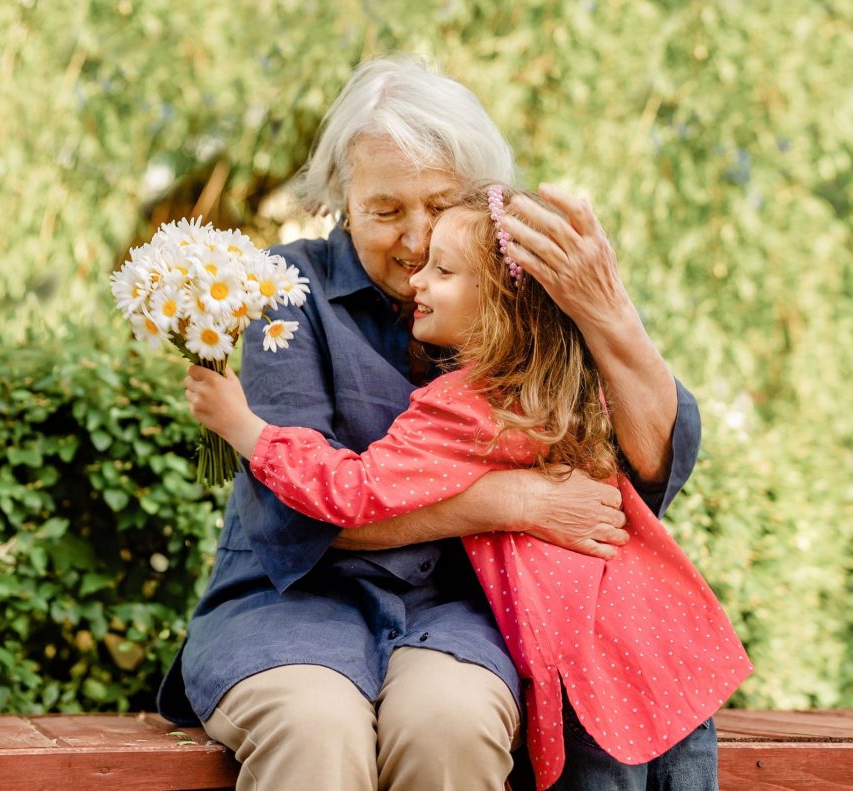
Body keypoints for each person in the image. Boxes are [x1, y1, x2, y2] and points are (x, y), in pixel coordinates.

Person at [156, 55, 702, 791]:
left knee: (452, 723)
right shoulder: (286, 289)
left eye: (441, 206)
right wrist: (511, 501)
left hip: (462, 608)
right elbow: (300, 504)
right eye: (386, 210)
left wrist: (610, 317)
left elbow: (644, 463)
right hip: (293, 602)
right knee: (315, 726)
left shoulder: (516, 288)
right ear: (341, 201)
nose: (416, 240)